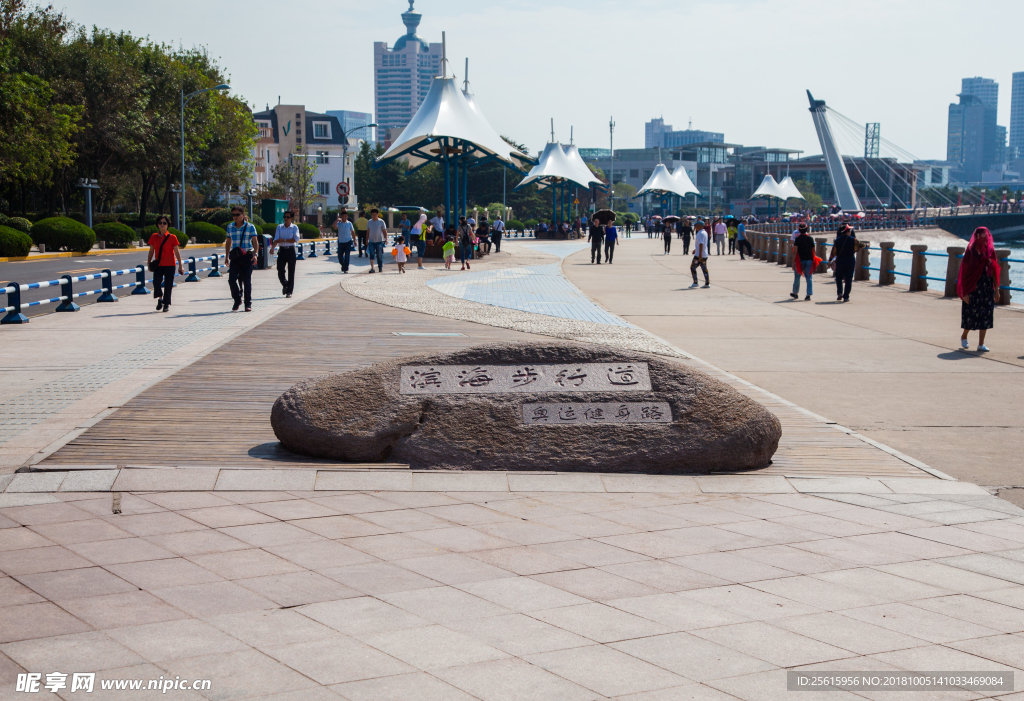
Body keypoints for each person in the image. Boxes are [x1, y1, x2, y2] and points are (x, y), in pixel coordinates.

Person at [958, 226, 1000, 352]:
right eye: (982, 235)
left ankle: (981, 344)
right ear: (977, 236)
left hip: (986, 286)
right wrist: (965, 292)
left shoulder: (990, 251)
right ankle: (964, 336)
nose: (985, 238)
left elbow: (993, 270)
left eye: (986, 235)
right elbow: (964, 272)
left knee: (986, 314)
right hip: (973, 286)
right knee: (971, 313)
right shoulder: (971, 252)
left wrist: (996, 289)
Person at [147, 215, 184, 312]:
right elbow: (151, 251)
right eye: (160, 223)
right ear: (157, 225)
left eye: (164, 223)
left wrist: (180, 265)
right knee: (156, 283)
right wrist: (148, 263)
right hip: (158, 265)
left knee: (168, 285)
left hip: (170, 265)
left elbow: (177, 252)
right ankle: (160, 299)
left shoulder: (172, 237)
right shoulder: (154, 237)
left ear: (168, 225)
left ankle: (166, 304)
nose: (162, 225)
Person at [225, 205, 259, 311]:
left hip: (247, 257)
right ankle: (237, 299)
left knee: (246, 281)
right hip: (235, 257)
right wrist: (226, 256)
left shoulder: (250, 227)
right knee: (231, 280)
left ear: (243, 215)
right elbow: (228, 242)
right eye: (233, 215)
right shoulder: (230, 227)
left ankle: (247, 304)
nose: (235, 217)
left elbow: (255, 242)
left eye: (237, 215)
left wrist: (255, 254)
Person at [827, 223, 859, 302]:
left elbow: (833, 252)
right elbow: (860, 245)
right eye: (850, 230)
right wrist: (866, 245)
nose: (850, 231)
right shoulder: (853, 239)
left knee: (838, 277)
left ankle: (840, 292)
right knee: (848, 279)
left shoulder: (837, 240)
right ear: (847, 231)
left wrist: (829, 260)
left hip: (840, 261)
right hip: (850, 261)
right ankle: (846, 297)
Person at [271, 210, 299, 297]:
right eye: (284, 217)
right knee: (280, 270)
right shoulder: (279, 227)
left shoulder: (294, 228)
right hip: (282, 250)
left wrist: (284, 240)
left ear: (291, 218)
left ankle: (289, 291)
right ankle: (285, 284)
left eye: (287, 217)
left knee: (291, 271)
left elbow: (296, 239)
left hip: (290, 250)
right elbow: (276, 239)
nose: (285, 219)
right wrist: (272, 248)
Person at [791, 223, 816, 300]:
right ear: (806, 230)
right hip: (809, 260)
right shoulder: (810, 239)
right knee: (809, 278)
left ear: (799, 230)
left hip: (800, 260)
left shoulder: (797, 239)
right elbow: (814, 251)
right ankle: (808, 295)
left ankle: (795, 293)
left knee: (797, 277)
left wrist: (793, 263)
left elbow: (795, 252)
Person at [689, 220, 710, 288]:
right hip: (704, 254)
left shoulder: (700, 233)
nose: (695, 227)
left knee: (692, 267)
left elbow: (701, 244)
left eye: (696, 225)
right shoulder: (704, 232)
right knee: (704, 268)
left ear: (699, 226)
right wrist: (696, 249)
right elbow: (702, 244)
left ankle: (695, 282)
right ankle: (707, 283)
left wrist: (699, 254)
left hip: (699, 255)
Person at [365, 208, 387, 273]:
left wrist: (386, 239)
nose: (374, 216)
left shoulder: (381, 221)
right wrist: (366, 240)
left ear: (377, 214)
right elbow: (368, 232)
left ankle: (380, 267)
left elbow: (384, 231)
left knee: (379, 254)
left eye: (375, 215)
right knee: (371, 254)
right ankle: (372, 268)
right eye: (372, 215)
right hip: (371, 241)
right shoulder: (369, 222)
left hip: (379, 241)